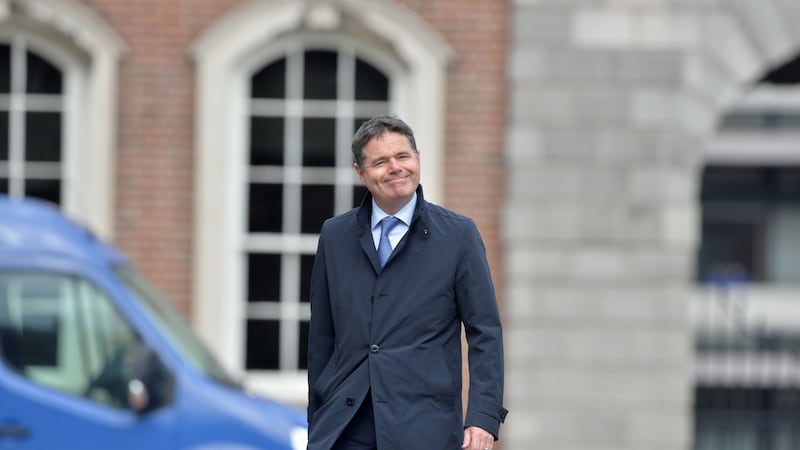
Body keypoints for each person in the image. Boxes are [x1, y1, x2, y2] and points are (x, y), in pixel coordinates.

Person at [307, 115, 507, 450]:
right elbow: (321, 339)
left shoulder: (458, 235)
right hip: (345, 426)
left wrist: (482, 417)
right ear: (360, 172)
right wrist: (318, 422)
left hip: (425, 428)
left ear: (418, 159)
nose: (395, 168)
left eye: (403, 156)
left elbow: (485, 332)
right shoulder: (334, 235)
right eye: (380, 162)